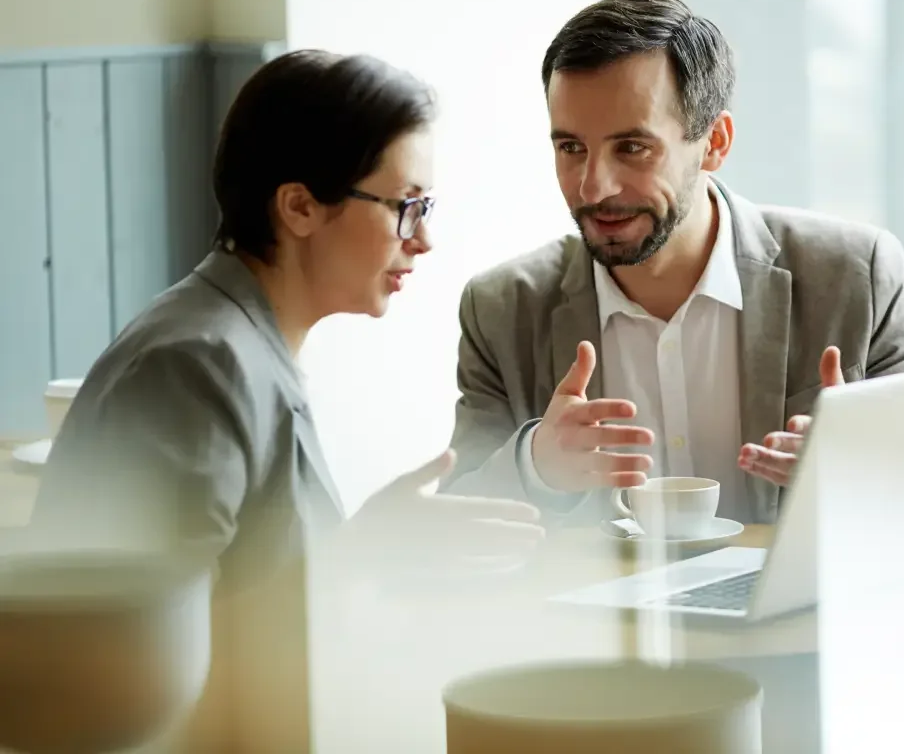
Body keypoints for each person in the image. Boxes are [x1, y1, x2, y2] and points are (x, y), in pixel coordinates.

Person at [30, 49, 544, 751]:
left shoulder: (236, 342)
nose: (424, 240)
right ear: (299, 205)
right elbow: (155, 662)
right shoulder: (196, 365)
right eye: (405, 207)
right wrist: (367, 551)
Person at [441, 0, 904, 536]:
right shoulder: (502, 308)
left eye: (631, 147)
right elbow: (452, 529)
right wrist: (536, 468)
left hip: (799, 619)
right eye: (571, 148)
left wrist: (862, 480)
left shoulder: (856, 276)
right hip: (596, 622)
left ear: (714, 143)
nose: (594, 186)